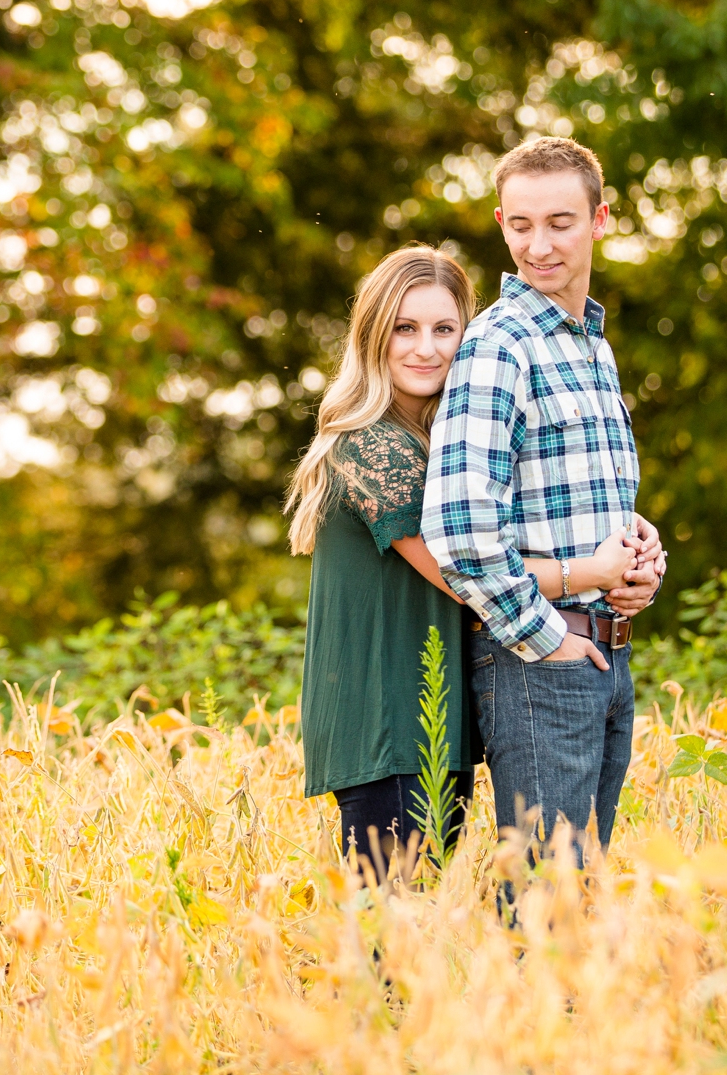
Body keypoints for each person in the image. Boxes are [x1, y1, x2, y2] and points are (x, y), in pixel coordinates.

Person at [284, 244, 647, 883]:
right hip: (387, 718)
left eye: (444, 329)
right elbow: (460, 566)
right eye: (405, 327)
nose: (425, 347)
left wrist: (632, 552)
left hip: (433, 719)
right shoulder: (373, 446)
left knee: (416, 924)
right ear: (373, 336)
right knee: (387, 936)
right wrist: (592, 571)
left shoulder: (438, 445)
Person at [422, 135, 666, 865]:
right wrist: (546, 636)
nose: (539, 244)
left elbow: (597, 503)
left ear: (600, 219)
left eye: (560, 221)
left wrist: (641, 565)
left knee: (579, 888)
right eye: (520, 224)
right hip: (539, 656)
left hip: (606, 651)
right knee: (544, 900)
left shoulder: (592, 345)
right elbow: (461, 529)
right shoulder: (501, 344)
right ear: (501, 222)